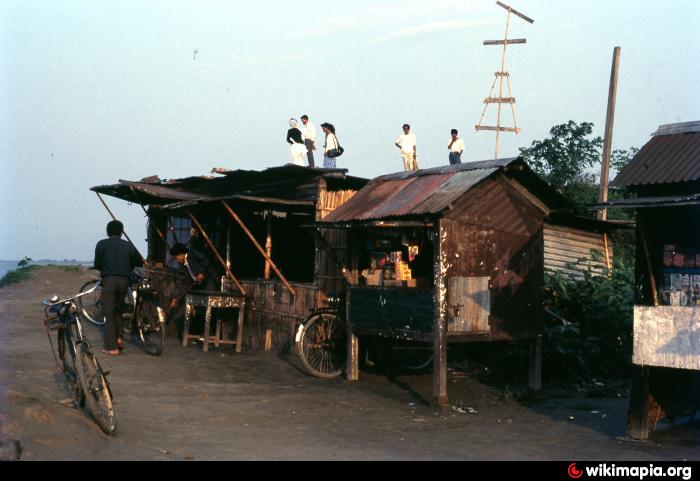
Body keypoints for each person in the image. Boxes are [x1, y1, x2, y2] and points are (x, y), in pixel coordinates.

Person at [93, 220, 143, 355]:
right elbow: (139, 262)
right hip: (124, 280)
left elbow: (97, 264)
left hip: (109, 280)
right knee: (118, 311)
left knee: (109, 313)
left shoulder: (101, 244)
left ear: (108, 232)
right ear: (121, 232)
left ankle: (112, 347)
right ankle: (119, 338)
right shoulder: (128, 245)